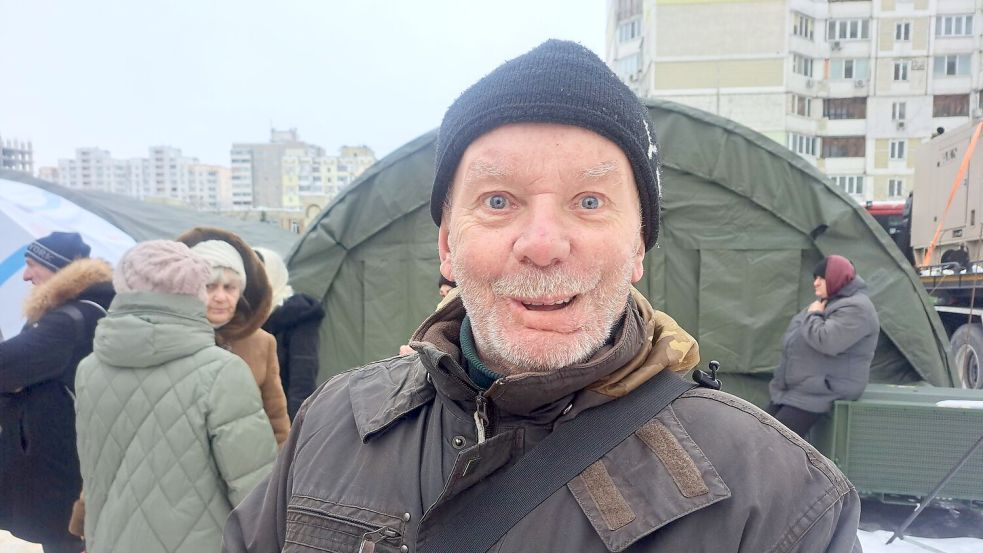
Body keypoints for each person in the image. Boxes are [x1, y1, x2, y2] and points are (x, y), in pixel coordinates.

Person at [224, 40, 862, 552]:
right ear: (447, 245)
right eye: (498, 201)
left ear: (639, 246)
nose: (543, 244)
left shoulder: (778, 500)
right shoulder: (332, 425)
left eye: (589, 201)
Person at [74, 240, 277, 553]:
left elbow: (95, 469)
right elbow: (255, 491)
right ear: (195, 289)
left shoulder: (89, 369)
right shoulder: (223, 372)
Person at [0, 232, 113, 553]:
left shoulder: (68, 322)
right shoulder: (94, 310)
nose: (25, 275)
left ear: (60, 270)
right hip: (82, 466)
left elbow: (5, 367)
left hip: (64, 476)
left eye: (33, 265)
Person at [177, 228, 290, 445]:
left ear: (241, 292)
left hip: (248, 465)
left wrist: (279, 471)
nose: (221, 297)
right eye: (210, 286)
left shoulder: (261, 342)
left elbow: (276, 419)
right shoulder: (171, 337)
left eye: (229, 288)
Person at [768, 255, 880, 438]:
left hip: (821, 391)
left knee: (775, 442)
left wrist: (813, 316)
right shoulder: (828, 302)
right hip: (799, 390)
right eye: (815, 278)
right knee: (757, 431)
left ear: (837, 277)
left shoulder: (857, 308)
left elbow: (827, 341)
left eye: (821, 278)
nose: (816, 283)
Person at [254, 246, 325, 421]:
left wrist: (296, 429)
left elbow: (302, 379)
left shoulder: (296, 316)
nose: (254, 282)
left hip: (282, 419)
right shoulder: (240, 316)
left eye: (260, 274)